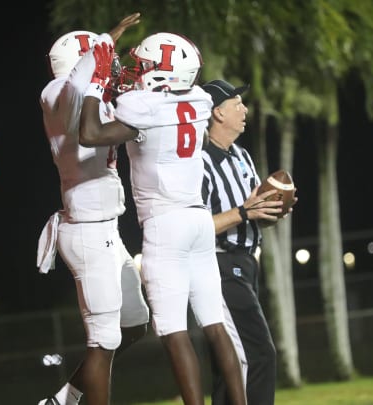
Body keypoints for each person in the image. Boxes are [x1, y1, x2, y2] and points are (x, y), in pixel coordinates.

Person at [78, 33, 247, 405]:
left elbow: (90, 133)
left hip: (165, 224)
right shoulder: (200, 100)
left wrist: (96, 83)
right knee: (215, 327)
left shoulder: (144, 107)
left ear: (163, 73)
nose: (139, 72)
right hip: (199, 221)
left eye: (146, 66)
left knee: (174, 331)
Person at [34, 13, 150, 405]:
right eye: (103, 60)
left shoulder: (85, 98)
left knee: (134, 324)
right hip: (86, 230)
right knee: (104, 338)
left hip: (106, 231)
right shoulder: (57, 93)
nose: (110, 69)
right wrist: (106, 39)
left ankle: (63, 399)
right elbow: (76, 82)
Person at [199, 79, 296, 405]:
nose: (245, 110)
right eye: (237, 104)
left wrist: (270, 211)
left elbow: (254, 214)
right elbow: (194, 227)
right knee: (258, 355)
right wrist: (244, 211)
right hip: (219, 265)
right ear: (217, 113)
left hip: (245, 263)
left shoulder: (241, 155)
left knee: (232, 364)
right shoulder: (199, 163)